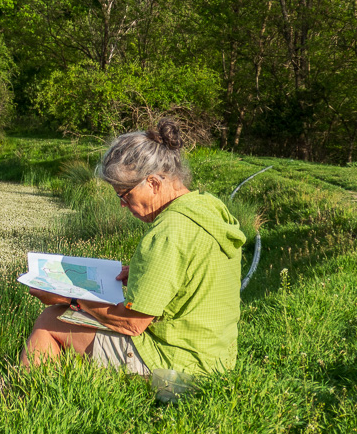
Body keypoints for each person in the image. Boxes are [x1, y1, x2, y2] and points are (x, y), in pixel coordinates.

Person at [21, 119, 246, 379]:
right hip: (215, 356)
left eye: (124, 194)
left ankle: (18, 403)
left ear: (153, 183)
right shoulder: (207, 209)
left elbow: (132, 323)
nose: (122, 205)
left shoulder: (167, 233)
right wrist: (143, 273)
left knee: (51, 320)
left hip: (179, 365)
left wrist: (71, 299)